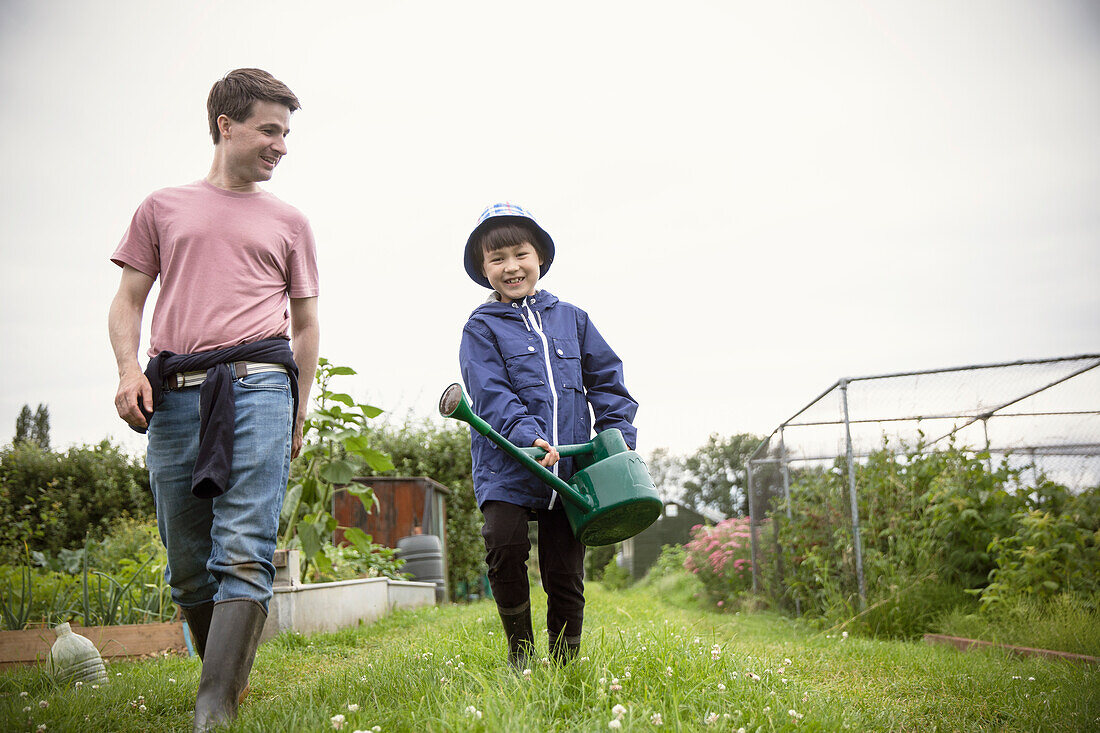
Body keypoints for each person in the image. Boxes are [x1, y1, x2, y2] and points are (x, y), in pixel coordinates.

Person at [107, 68, 319, 731]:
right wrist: (125, 369)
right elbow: (129, 301)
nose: (281, 145)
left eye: (286, 133)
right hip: (172, 393)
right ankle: (224, 682)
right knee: (188, 567)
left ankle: (214, 707)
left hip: (259, 385)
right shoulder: (162, 207)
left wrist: (299, 406)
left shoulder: (290, 221)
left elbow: (307, 323)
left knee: (242, 548)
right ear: (226, 125)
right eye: (269, 129)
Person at [458, 203, 638, 669]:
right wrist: (526, 436)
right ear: (483, 269)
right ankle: (521, 654)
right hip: (509, 462)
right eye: (497, 259)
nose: (511, 267)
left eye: (520, 254)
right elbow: (491, 392)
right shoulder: (481, 328)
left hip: (572, 468)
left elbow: (607, 381)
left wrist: (617, 437)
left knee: (565, 571)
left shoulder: (573, 319)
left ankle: (564, 667)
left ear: (541, 257)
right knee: (504, 544)